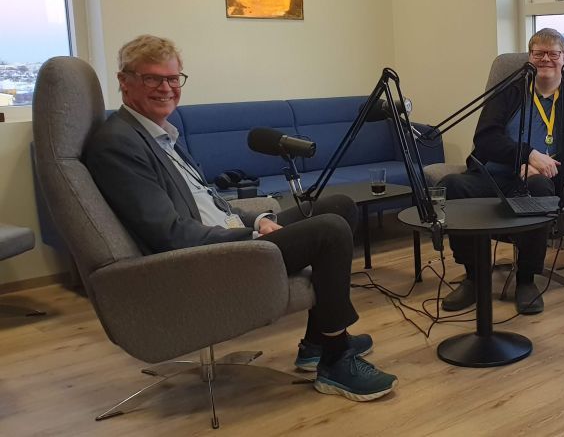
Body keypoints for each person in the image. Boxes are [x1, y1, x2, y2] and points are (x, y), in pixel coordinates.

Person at [84, 35, 396, 402]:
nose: (166, 88)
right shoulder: (119, 143)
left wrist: (258, 220)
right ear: (124, 81)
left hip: (227, 238)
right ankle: (335, 359)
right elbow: (170, 234)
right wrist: (249, 239)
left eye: (173, 78)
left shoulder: (159, 136)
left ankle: (316, 343)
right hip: (204, 259)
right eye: (152, 78)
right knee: (328, 231)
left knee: (338, 206)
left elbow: (211, 203)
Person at [440, 28, 564, 314]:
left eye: (553, 54)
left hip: (540, 180)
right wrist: (525, 157)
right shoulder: (507, 95)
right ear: (529, 58)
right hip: (494, 177)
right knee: (453, 185)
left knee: (539, 189)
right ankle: (474, 277)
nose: (546, 59)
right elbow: (485, 138)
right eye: (539, 53)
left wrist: (548, 169)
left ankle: (526, 280)